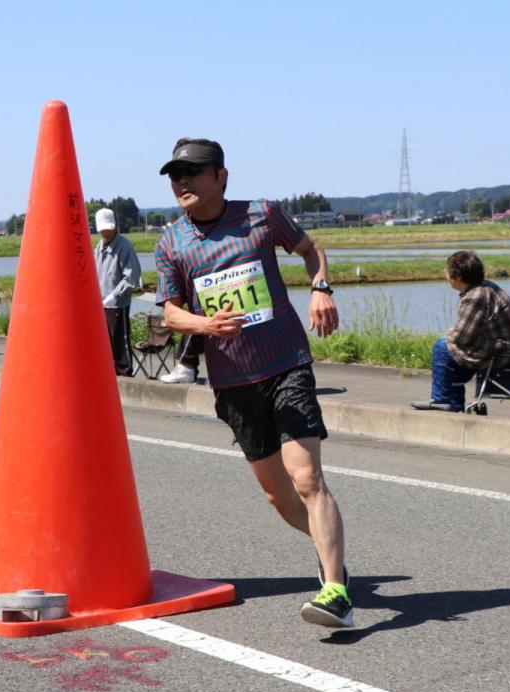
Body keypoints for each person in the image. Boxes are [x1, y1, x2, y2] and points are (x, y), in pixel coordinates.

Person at [154, 138, 352, 629]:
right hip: (233, 382)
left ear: (221, 176)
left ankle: (336, 592)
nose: (183, 182)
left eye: (193, 172)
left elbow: (311, 251)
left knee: (306, 478)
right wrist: (205, 326)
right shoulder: (171, 243)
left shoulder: (263, 215)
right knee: (279, 497)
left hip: (285, 363)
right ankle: (332, 560)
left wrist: (320, 288)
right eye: (176, 174)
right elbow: (170, 313)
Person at [411, 251, 510, 412]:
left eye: (447, 270)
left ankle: (441, 399)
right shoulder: (485, 286)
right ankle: (454, 405)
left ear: (457, 276)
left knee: (442, 347)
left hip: (500, 353)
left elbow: (461, 337)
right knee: (451, 353)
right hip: (505, 347)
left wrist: (448, 335)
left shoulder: (476, 296)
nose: (445, 273)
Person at [94, 207, 141, 376]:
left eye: (109, 228)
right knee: (104, 342)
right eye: (103, 229)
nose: (106, 233)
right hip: (101, 304)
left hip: (118, 304)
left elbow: (132, 275)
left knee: (120, 341)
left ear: (116, 225)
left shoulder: (124, 246)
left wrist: (116, 295)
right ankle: (109, 374)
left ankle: (125, 373)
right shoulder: (98, 246)